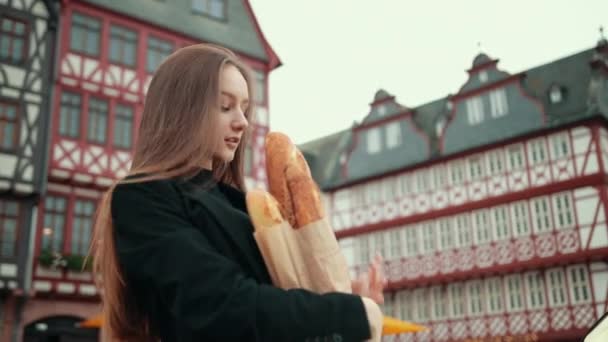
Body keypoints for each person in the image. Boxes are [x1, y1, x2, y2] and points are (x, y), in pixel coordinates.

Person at [90, 43, 387, 342]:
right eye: (225, 106)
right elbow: (223, 306)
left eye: (244, 109)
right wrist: (349, 313)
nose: (242, 122)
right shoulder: (143, 195)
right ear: (183, 108)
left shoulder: (242, 203)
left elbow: (275, 307)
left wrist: (345, 296)